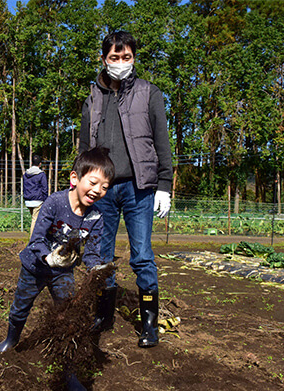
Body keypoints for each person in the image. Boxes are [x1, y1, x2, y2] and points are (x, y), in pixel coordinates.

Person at [78, 31, 173, 348]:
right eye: (114, 58)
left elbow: (162, 142)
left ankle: (149, 324)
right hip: (101, 191)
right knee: (100, 256)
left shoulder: (150, 94)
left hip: (138, 188)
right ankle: (104, 315)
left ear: (134, 58)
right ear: (104, 59)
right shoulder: (92, 98)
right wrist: (81, 183)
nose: (120, 63)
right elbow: (84, 148)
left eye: (126, 57)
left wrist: (164, 184)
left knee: (142, 256)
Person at [0, 147, 113, 355]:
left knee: (67, 314)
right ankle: (11, 339)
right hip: (35, 267)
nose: (97, 190)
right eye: (93, 183)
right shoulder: (55, 203)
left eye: (104, 187)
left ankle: (65, 357)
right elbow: (36, 239)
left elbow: (92, 253)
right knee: (21, 307)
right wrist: (48, 257)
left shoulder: (96, 217)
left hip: (63, 273)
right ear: (75, 178)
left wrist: (97, 269)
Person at [23, 156, 48, 234]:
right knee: (35, 220)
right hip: (38, 201)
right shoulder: (41, 174)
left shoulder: (26, 174)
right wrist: (45, 199)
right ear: (40, 164)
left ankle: (37, 237)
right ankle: (32, 241)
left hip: (28, 200)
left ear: (31, 163)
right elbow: (45, 189)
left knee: (34, 219)